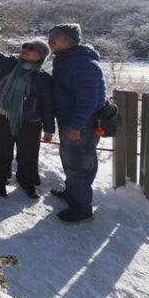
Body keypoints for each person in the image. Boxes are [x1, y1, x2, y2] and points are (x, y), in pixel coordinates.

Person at [0, 25, 54, 199]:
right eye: (24, 46)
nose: (25, 50)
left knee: (29, 154)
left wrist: (49, 128)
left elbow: (48, 104)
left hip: (31, 122)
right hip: (4, 116)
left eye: (31, 48)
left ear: (40, 55)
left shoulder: (43, 78)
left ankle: (28, 183)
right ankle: (0, 181)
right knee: (2, 150)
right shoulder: (10, 64)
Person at [47, 23, 107, 224]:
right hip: (71, 119)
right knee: (72, 160)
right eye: (50, 35)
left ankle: (82, 210)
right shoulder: (67, 58)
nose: (51, 39)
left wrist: (76, 125)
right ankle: (73, 194)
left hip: (82, 123)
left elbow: (88, 99)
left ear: (70, 39)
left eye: (57, 36)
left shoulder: (83, 63)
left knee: (79, 164)